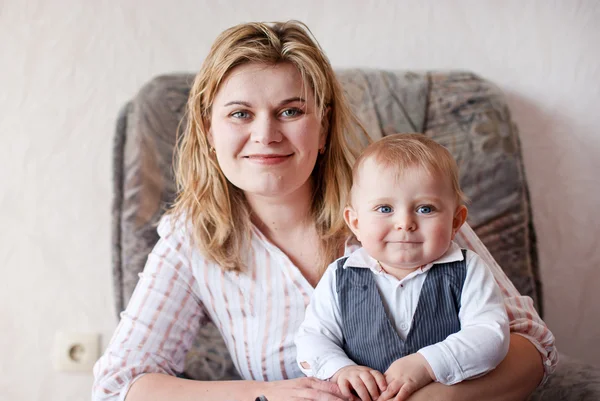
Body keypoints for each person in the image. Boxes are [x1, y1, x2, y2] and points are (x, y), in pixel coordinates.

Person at [92, 20, 557, 401]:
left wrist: (430, 396)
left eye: (291, 111)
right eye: (240, 114)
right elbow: (118, 385)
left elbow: (533, 344)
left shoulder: (400, 202)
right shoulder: (190, 239)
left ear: (324, 123)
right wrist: (265, 394)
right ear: (208, 129)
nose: (266, 134)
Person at [295, 134, 510, 401]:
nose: (405, 223)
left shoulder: (468, 271)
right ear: (355, 222)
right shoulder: (340, 277)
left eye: (425, 209)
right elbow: (313, 338)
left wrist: (427, 363)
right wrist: (341, 369)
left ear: (456, 221)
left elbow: (490, 337)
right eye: (384, 208)